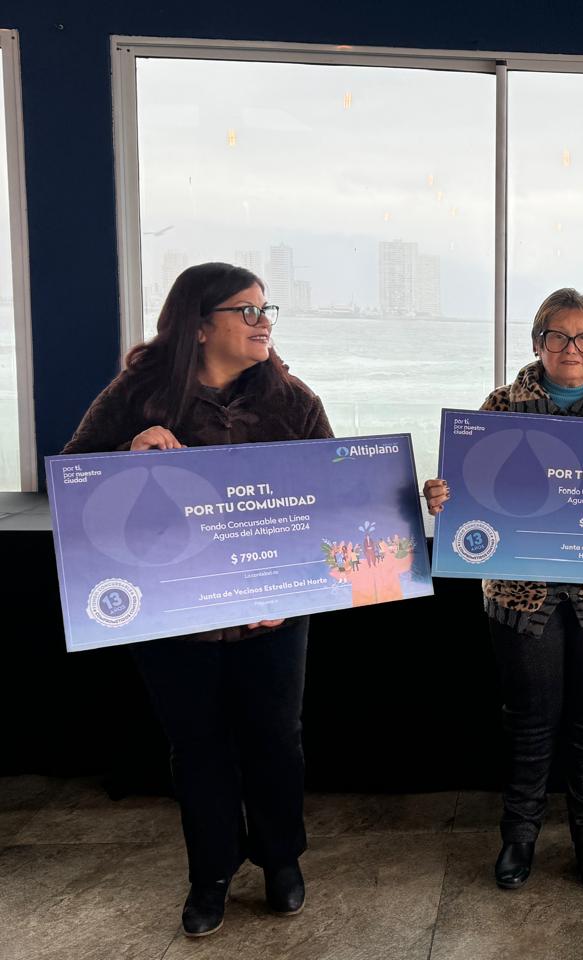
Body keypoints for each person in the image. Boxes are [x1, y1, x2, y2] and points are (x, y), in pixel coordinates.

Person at [62, 262, 333, 937]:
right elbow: (76, 476)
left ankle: (281, 860)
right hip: (172, 617)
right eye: (248, 310)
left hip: (272, 616)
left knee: (277, 740)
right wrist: (128, 451)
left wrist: (297, 589)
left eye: (267, 310)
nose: (264, 322)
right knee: (198, 748)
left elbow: (330, 495)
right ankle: (210, 873)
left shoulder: (291, 397)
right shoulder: (138, 394)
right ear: (200, 324)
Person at [423, 288, 583, 890]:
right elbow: (470, 486)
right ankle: (519, 835)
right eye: (558, 335)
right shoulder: (500, 407)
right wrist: (443, 497)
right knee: (529, 719)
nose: (571, 347)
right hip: (521, 592)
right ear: (537, 342)